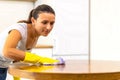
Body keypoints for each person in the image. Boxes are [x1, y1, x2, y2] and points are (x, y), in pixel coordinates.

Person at [0, 4, 60, 80]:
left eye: (52, 23)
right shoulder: (18, 30)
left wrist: (17, 78)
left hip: (3, 68)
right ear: (33, 21)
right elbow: (7, 51)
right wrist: (39, 59)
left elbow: (17, 56)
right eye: (44, 22)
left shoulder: (36, 35)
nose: (49, 27)